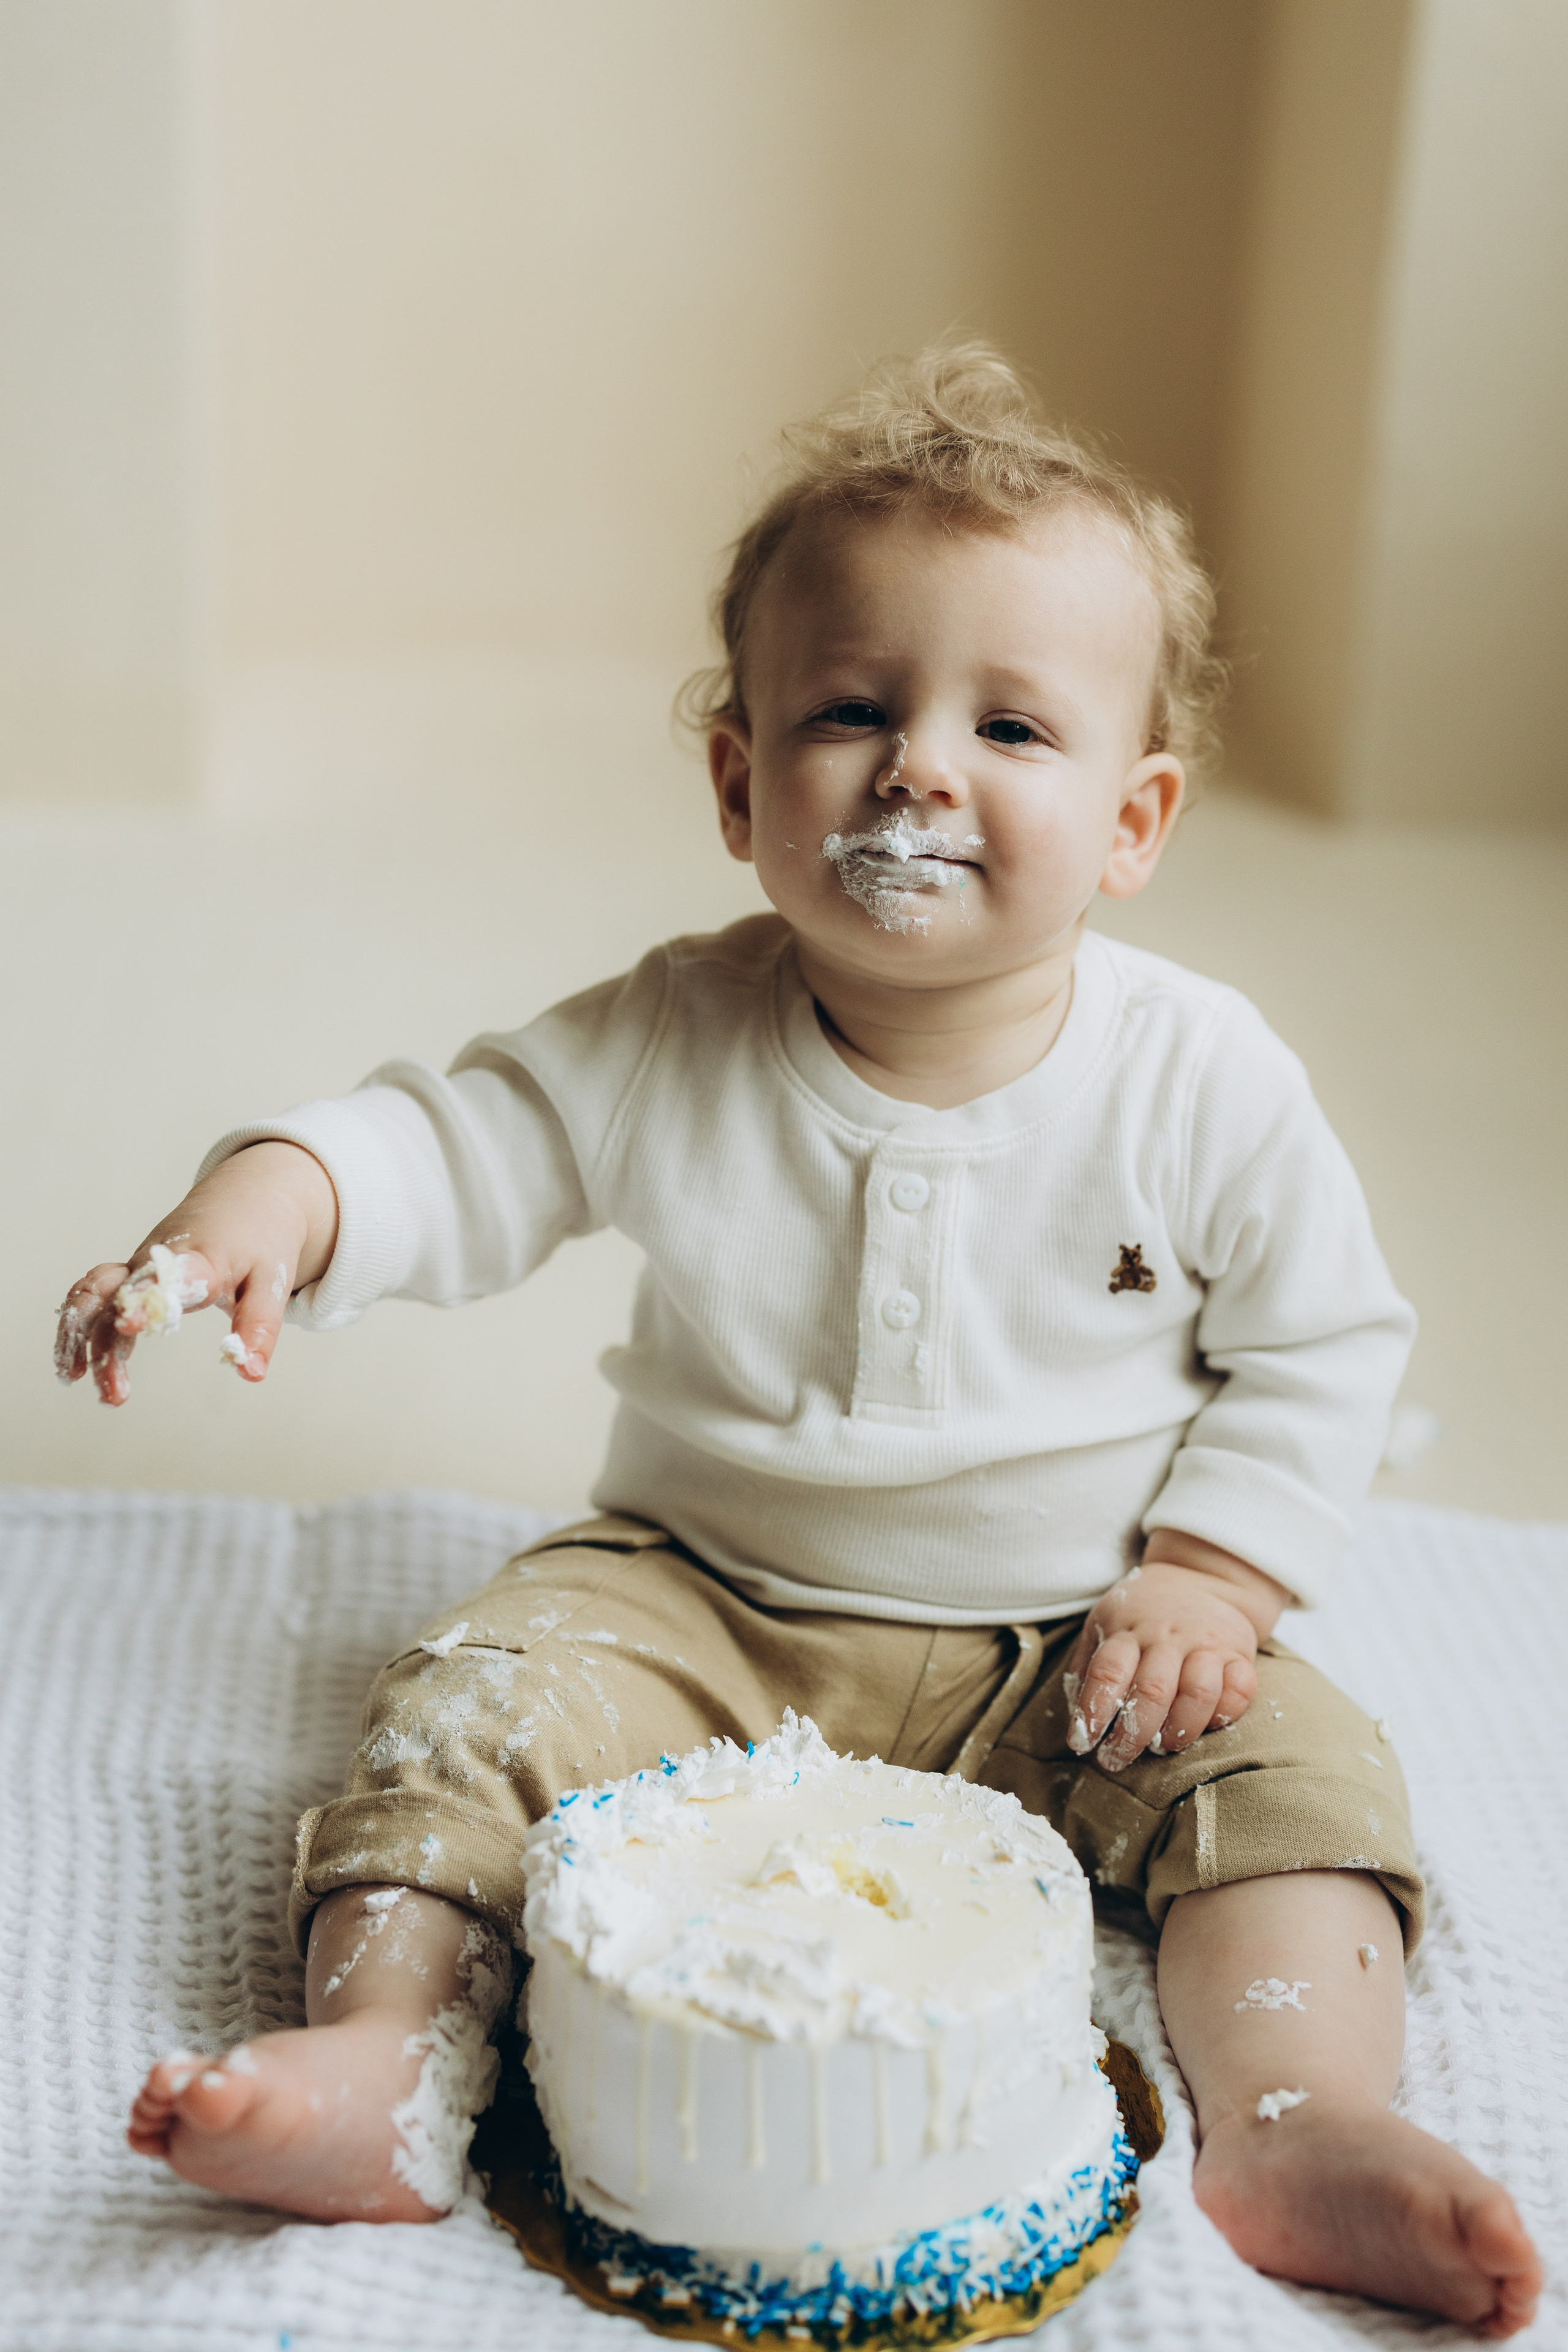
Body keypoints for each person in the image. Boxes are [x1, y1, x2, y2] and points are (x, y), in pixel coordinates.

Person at [61, 346, 1539, 2334]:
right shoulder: (679, 1028)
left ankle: (1293, 2106)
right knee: (468, 1707)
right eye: (854, 710)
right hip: (706, 1598)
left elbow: (1329, 1344)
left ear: (1134, 817)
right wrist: (278, 1196)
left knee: (1302, 1784)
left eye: (1013, 726)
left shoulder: (1201, 1079)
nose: (921, 767)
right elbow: (463, 1138)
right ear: (742, 781)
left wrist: (1214, 1569)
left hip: (1081, 1638)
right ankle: (389, 2060)